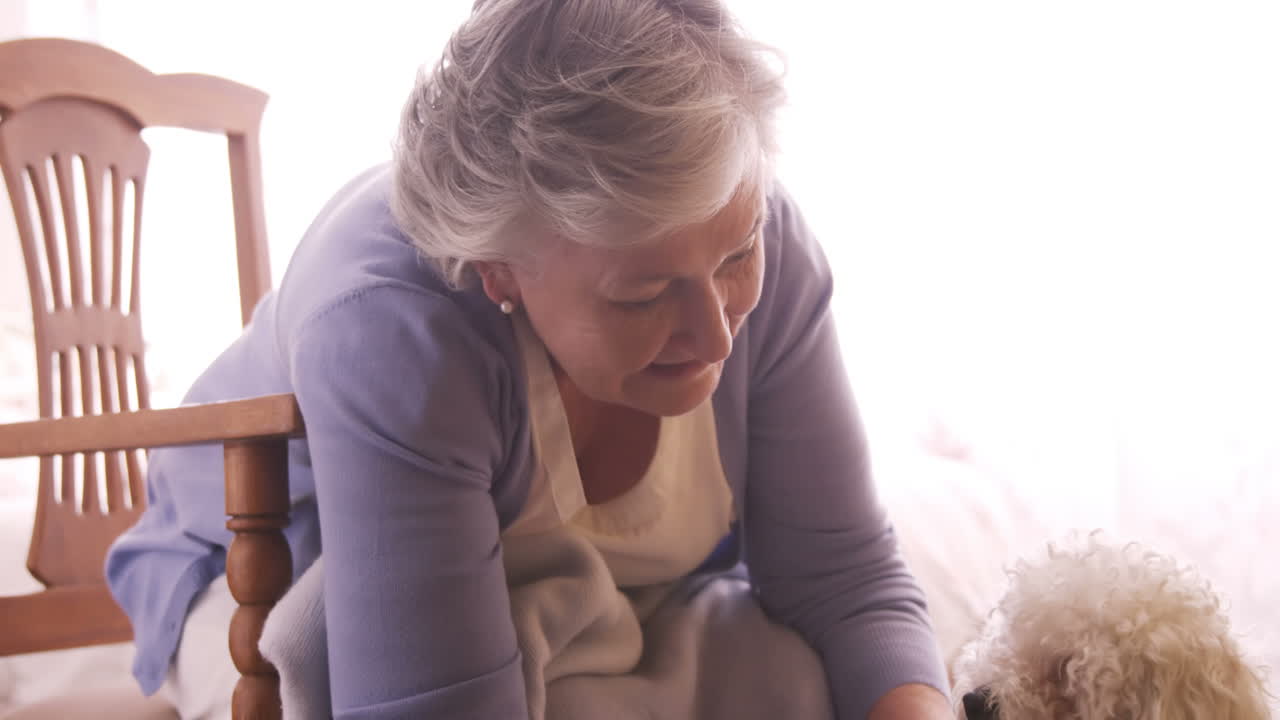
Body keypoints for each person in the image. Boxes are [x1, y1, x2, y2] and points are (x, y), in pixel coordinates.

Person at [106, 0, 951, 717]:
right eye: (642, 295)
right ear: (499, 268)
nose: (715, 337)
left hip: (589, 603)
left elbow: (843, 579)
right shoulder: (393, 325)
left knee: (797, 674)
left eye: (735, 259)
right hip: (296, 572)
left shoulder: (761, 230)